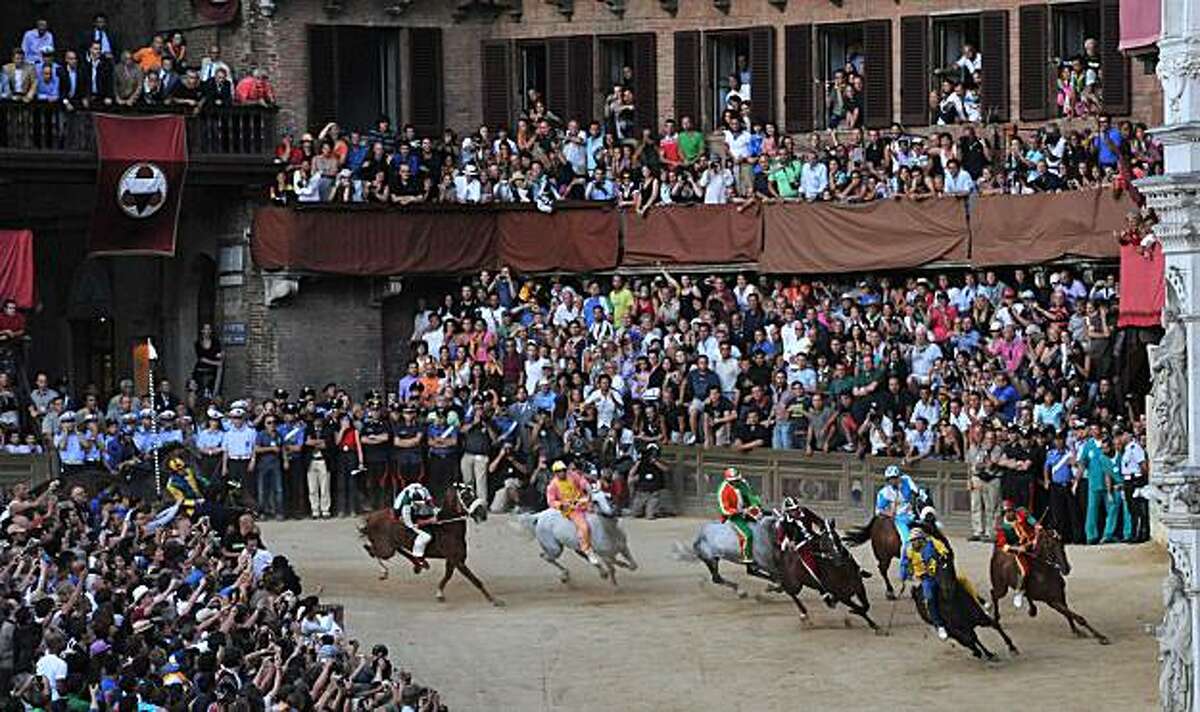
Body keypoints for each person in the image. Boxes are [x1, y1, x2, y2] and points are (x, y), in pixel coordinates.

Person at [780, 497, 835, 605]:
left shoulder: (805, 512)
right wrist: (788, 542)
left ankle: (857, 569)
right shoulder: (784, 522)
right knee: (812, 567)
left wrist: (824, 527)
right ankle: (823, 591)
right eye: (792, 510)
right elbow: (781, 537)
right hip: (802, 547)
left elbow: (818, 521)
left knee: (835, 546)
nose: (795, 511)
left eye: (796, 509)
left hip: (815, 540)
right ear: (787, 511)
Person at [546, 460, 602, 565]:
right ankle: (587, 550)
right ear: (555, 473)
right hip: (571, 509)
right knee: (584, 526)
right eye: (559, 471)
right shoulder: (553, 485)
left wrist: (587, 487)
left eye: (563, 470)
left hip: (582, 502)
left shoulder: (572, 475)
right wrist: (561, 505)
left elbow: (582, 481)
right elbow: (551, 501)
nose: (562, 472)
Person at [900, 525, 950, 641]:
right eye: (912, 541)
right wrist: (904, 576)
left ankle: (979, 601)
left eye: (915, 541)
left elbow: (943, 549)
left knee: (960, 582)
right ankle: (939, 625)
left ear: (921, 539)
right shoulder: (908, 549)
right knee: (929, 597)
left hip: (938, 572)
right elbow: (904, 564)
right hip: (925, 577)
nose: (913, 543)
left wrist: (943, 555)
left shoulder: (932, 542)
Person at [994, 499, 1039, 609]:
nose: (1010, 513)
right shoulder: (1002, 527)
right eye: (1007, 512)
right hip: (1016, 547)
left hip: (1031, 540)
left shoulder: (1021, 513)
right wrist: (1018, 548)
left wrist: (1037, 525)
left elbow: (1030, 518)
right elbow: (1004, 546)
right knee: (1024, 570)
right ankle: (1019, 591)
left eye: (1011, 511)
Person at [717, 466, 763, 570]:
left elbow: (750, 496)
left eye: (737, 480)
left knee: (763, 522)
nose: (736, 482)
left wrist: (755, 505)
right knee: (747, 534)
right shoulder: (723, 489)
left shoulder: (743, 483)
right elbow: (724, 509)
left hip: (746, 510)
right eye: (733, 481)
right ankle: (747, 558)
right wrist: (740, 511)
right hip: (734, 516)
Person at [875, 464, 925, 548]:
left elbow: (916, 491)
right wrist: (889, 513)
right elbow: (878, 510)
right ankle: (905, 560)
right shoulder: (884, 493)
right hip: (900, 519)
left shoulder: (906, 480)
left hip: (914, 514)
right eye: (891, 479)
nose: (893, 481)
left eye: (895, 478)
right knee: (907, 541)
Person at [393, 480, 438, 573]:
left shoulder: (424, 490)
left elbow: (430, 502)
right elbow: (412, 524)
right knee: (426, 536)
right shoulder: (406, 506)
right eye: (418, 504)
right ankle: (418, 556)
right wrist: (429, 521)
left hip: (413, 496)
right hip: (405, 517)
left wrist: (435, 510)